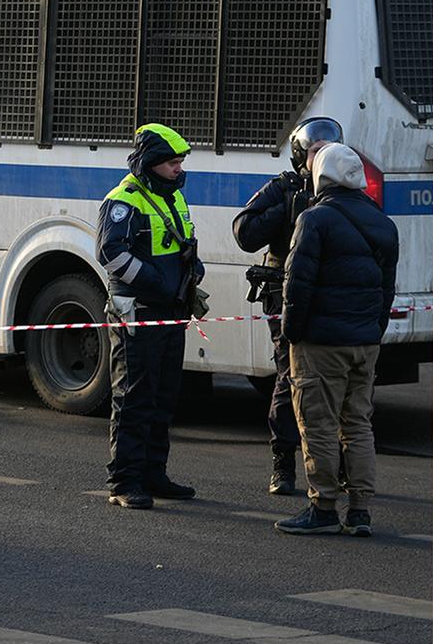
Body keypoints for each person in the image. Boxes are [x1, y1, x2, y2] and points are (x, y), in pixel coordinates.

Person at [273, 142, 398, 537]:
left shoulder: (315, 220)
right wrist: (373, 332)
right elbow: (387, 291)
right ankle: (359, 510)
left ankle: (323, 506)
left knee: (319, 425)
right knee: (358, 424)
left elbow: (297, 284)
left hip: (320, 343)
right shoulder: (383, 222)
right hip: (365, 341)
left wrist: (292, 334)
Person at [97, 122, 205, 509]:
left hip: (171, 312)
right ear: (150, 163)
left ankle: (154, 475)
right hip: (138, 313)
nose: (179, 169)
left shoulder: (173, 196)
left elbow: (182, 239)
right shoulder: (124, 199)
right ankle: (125, 482)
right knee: (134, 398)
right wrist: (156, 282)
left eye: (180, 162)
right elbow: (110, 253)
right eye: (172, 163)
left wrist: (194, 270)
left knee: (164, 396)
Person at [232, 116, 342, 496]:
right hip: (285, 292)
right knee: (289, 374)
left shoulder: (342, 187)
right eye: (315, 150)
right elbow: (244, 231)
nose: (322, 157)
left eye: (328, 150)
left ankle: (337, 464)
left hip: (329, 295)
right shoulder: (284, 187)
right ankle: (283, 462)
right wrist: (286, 207)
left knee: (334, 378)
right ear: (300, 155)